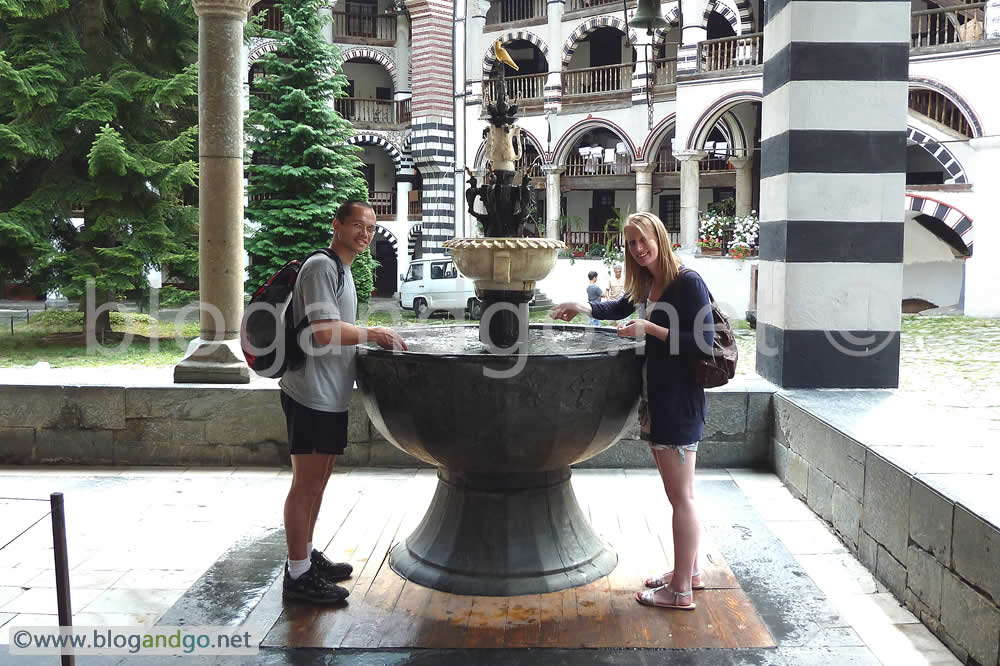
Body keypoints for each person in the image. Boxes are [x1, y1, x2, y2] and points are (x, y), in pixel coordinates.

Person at [550, 212, 714, 611]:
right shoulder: (647, 284)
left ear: (659, 237)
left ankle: (679, 592)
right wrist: (579, 306)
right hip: (661, 398)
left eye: (642, 240)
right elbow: (614, 308)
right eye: (630, 244)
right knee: (681, 495)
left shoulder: (686, 282)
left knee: (682, 498)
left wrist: (651, 330)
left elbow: (704, 341)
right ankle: (688, 573)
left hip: (678, 401)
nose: (638, 249)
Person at [278, 199, 408, 604]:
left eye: (370, 228)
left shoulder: (344, 270)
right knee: (305, 484)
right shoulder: (321, 266)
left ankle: (305, 556)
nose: (365, 235)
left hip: (329, 395)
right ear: (337, 225)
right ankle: (297, 574)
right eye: (357, 226)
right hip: (311, 394)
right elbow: (322, 331)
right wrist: (374, 334)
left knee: (319, 480)